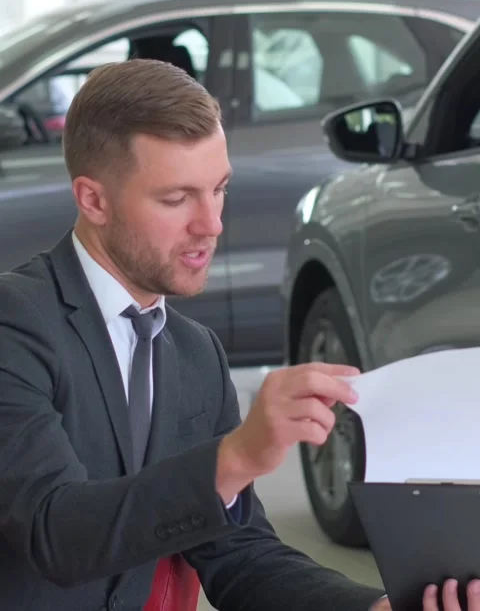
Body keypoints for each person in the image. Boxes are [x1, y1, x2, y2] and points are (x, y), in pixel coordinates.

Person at [0, 59, 474, 611]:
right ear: (93, 200)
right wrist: (239, 455)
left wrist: (374, 609)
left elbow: (241, 558)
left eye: (219, 189)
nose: (212, 223)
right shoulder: (16, 321)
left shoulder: (195, 354)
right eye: (176, 199)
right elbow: (55, 534)